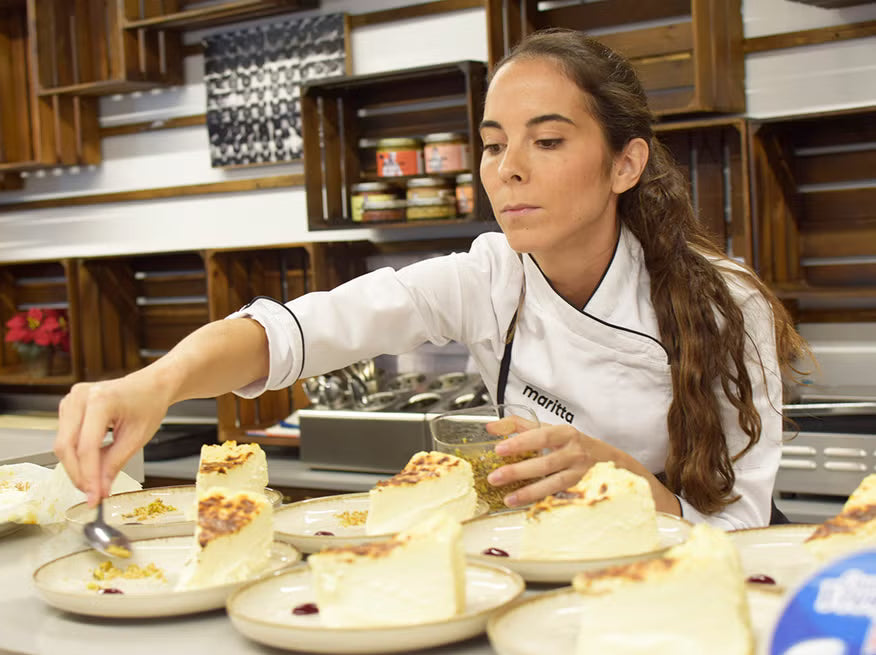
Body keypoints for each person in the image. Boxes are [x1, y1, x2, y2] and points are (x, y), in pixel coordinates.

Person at [53, 29, 809, 530]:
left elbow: (739, 535)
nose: (506, 167)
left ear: (625, 163)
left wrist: (619, 477)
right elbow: (306, 328)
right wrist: (154, 383)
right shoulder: (489, 276)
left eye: (546, 140)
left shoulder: (724, 302)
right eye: (491, 143)